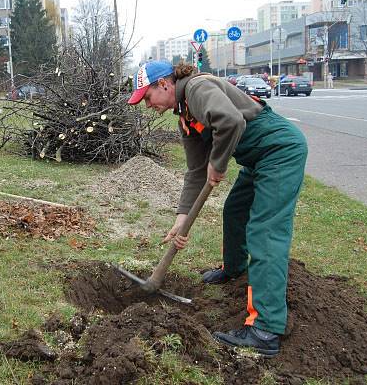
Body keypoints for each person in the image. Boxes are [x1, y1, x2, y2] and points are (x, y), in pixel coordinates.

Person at [128, 61, 308, 357]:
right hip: (257, 159)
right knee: (235, 211)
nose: (148, 105)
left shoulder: (197, 88)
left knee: (265, 232)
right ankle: (235, 269)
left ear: (164, 84)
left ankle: (266, 328)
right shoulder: (185, 117)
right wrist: (181, 219)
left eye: (147, 97)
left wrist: (219, 162)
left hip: (279, 151)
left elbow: (231, 122)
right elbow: (196, 171)